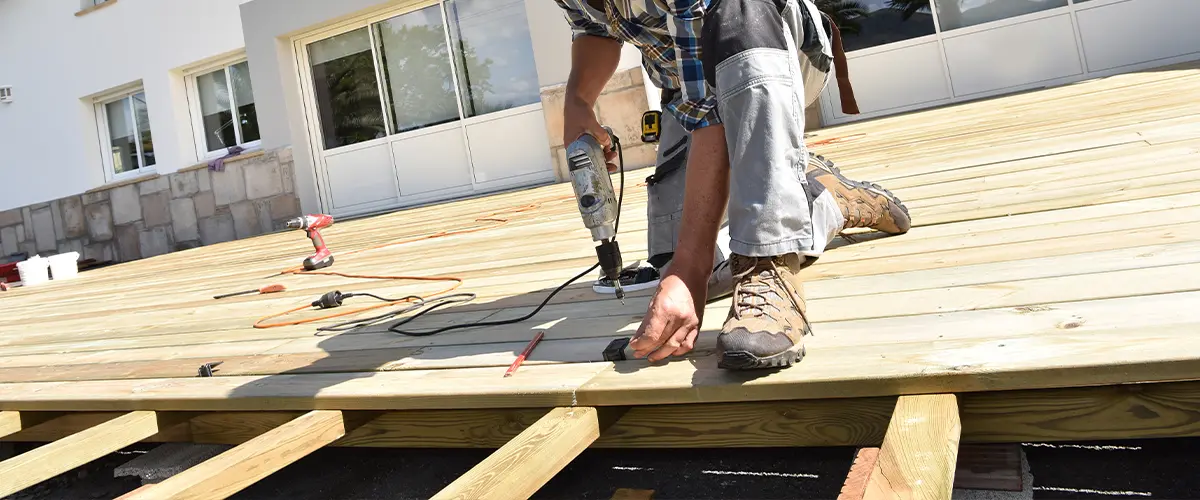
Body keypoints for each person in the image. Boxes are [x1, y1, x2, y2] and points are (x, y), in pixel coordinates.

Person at [558, 0, 912, 370]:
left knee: (736, 6)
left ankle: (768, 262)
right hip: (690, 92)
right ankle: (821, 201)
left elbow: (714, 112)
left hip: (768, 41)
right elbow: (595, 28)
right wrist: (577, 100)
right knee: (680, 267)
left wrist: (689, 268)